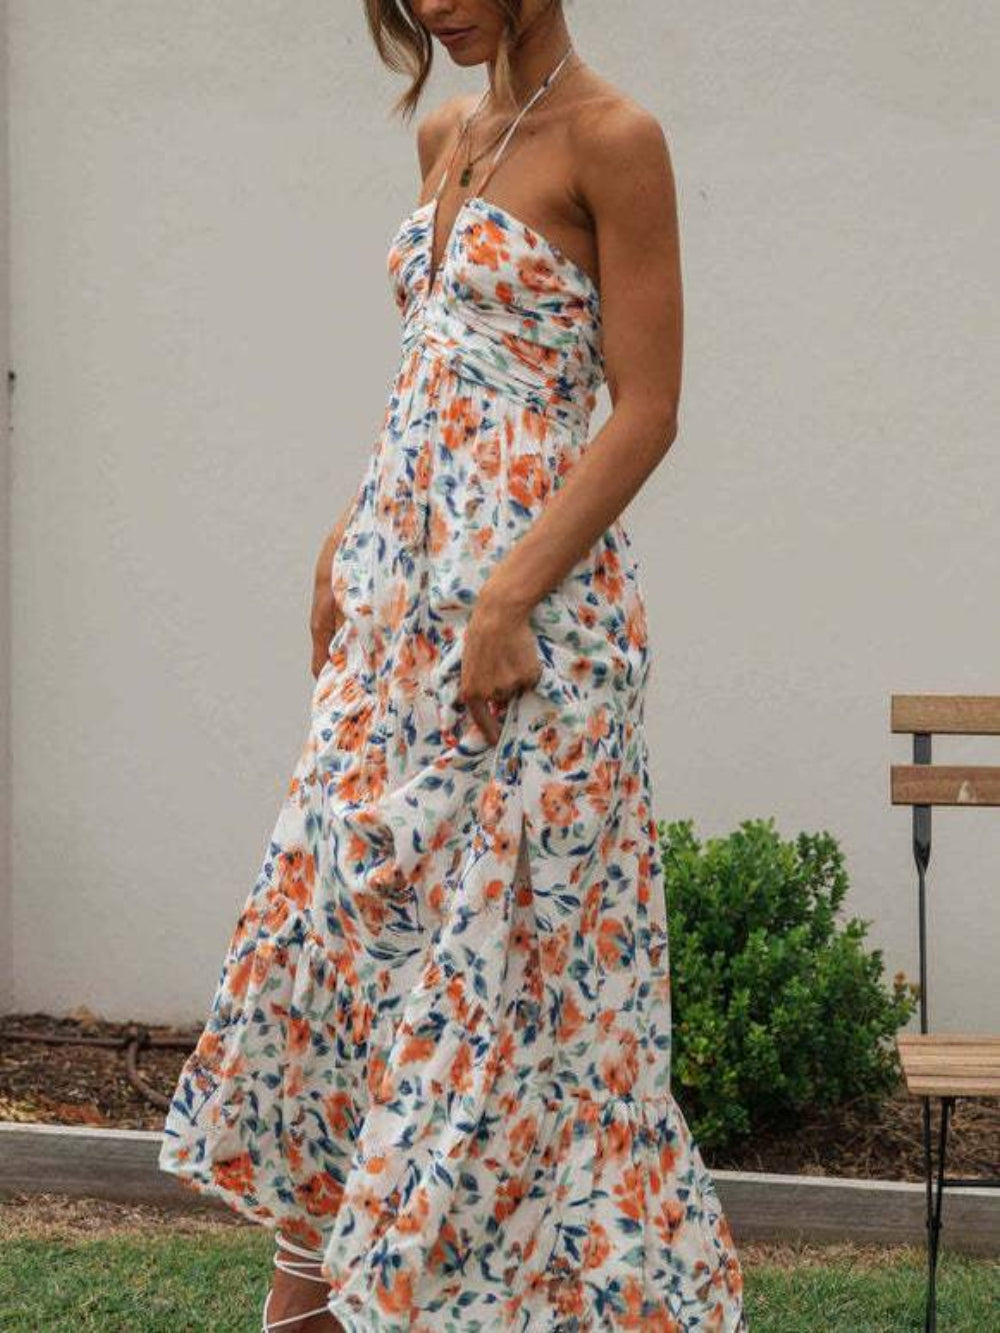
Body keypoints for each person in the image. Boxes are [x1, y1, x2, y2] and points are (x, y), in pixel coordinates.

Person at [159, 2, 748, 1329]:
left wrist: (509, 594)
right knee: (343, 947)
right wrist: (347, 531)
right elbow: (439, 375)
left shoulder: (616, 139)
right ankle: (317, 1294)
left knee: (513, 995)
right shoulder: (445, 131)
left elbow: (648, 407)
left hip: (530, 635)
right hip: (396, 616)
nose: (434, 4)